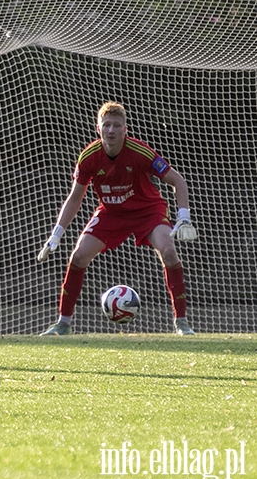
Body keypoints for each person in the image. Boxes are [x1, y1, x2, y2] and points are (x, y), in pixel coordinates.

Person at [37, 101, 198, 336]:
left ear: (125, 130)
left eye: (116, 126)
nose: (111, 130)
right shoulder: (89, 157)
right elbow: (74, 198)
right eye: (107, 125)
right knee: (79, 256)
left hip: (147, 210)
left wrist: (183, 217)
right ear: (98, 128)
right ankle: (63, 324)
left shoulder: (140, 151)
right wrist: (56, 234)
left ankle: (182, 323)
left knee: (169, 251)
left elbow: (178, 180)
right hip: (111, 212)